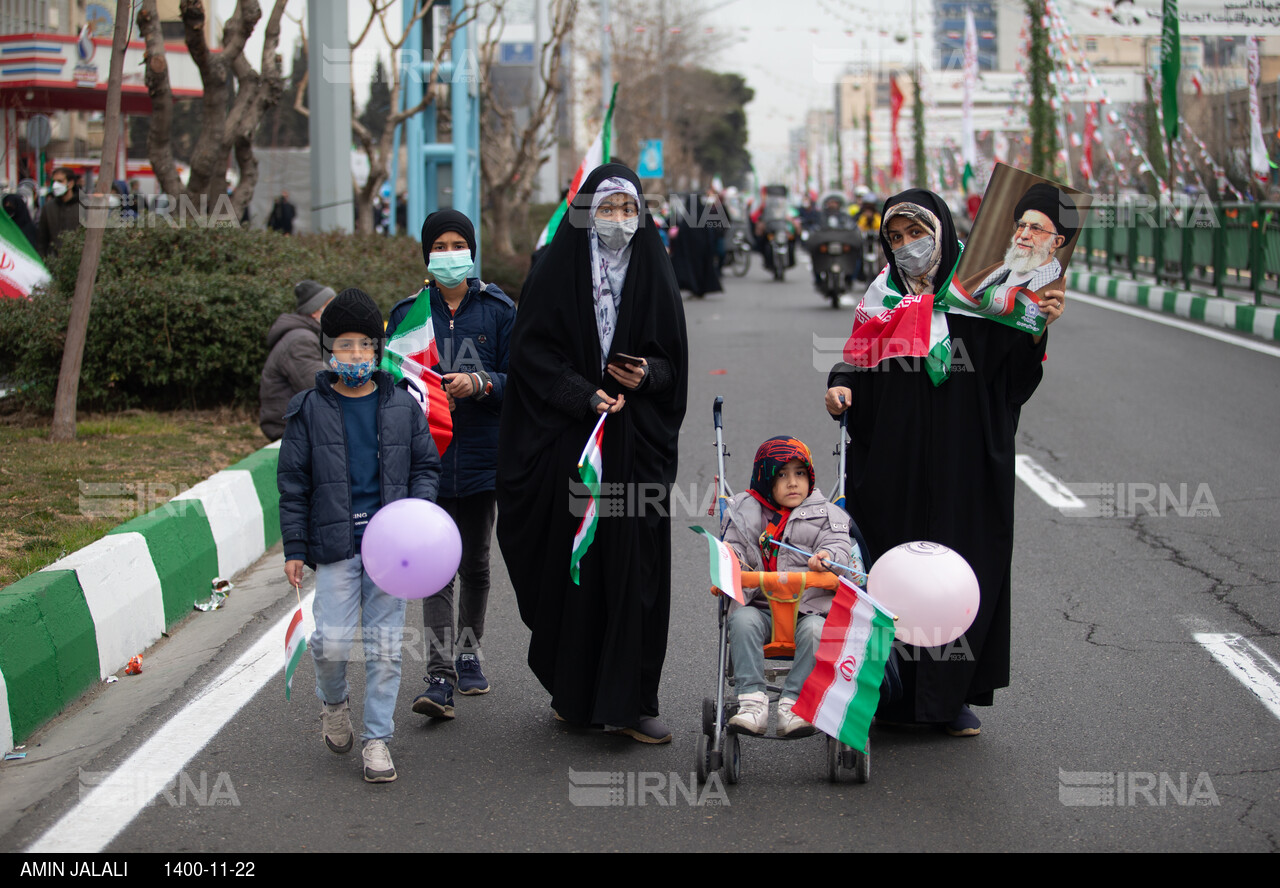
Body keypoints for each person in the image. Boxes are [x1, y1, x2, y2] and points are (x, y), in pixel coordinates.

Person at [824, 189, 1064, 738]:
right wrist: (840, 387)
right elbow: (856, 359)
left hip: (966, 458)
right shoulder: (881, 295)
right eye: (896, 236)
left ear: (945, 231)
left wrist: (1039, 326)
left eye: (917, 232)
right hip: (893, 460)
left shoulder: (986, 290)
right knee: (891, 565)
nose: (908, 246)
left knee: (964, 566)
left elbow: (1015, 375)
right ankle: (891, 694)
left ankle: (950, 697)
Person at [496, 164, 688, 744]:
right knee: (572, 566)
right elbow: (530, 355)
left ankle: (632, 701)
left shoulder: (655, 272)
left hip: (634, 449)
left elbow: (673, 363)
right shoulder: (554, 272)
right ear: (585, 212)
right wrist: (584, 395)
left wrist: (646, 373)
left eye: (628, 209)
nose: (618, 221)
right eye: (606, 209)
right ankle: (573, 692)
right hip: (570, 444)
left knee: (634, 567)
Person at [277, 288, 442, 783]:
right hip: (334, 549)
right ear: (329, 351)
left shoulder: (400, 404)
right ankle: (333, 703)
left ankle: (377, 740)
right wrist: (295, 547)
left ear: (379, 348)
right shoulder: (308, 408)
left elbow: (425, 467)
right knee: (328, 643)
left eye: (364, 346)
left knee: (386, 648)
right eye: (344, 346)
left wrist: (417, 516)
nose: (355, 356)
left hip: (390, 552)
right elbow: (294, 482)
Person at [385, 209, 514, 720]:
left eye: (457, 244)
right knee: (435, 569)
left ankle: (467, 651)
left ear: (472, 249)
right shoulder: (408, 314)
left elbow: (520, 379)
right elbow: (393, 384)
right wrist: (429, 396)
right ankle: (438, 674)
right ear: (426, 254)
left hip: (485, 459)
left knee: (476, 564)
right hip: (428, 462)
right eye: (438, 246)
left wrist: (480, 384)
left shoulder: (499, 310)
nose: (448, 254)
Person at [720, 437, 855, 737]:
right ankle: (753, 701)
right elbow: (734, 548)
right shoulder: (744, 513)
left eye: (800, 473)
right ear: (765, 479)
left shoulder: (828, 515)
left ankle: (794, 702)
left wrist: (828, 559)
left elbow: (839, 548)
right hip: (761, 607)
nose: (793, 482)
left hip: (808, 610)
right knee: (740, 621)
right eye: (781, 475)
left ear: (810, 477)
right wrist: (734, 564)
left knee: (817, 633)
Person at [957, 182, 1079, 305]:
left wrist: (1044, 322)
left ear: (1056, 242)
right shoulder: (997, 270)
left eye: (1036, 228)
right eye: (1022, 226)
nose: (1024, 235)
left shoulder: (1049, 290)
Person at [258, 280, 335, 441]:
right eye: (331, 307)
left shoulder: (307, 335)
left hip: (298, 422)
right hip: (289, 427)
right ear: (315, 311)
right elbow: (322, 387)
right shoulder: (300, 340)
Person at [36, 168, 82, 259]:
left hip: (77, 261)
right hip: (54, 262)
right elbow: (42, 239)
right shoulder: (48, 208)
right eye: (54, 181)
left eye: (60, 181)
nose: (56, 185)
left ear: (71, 183)